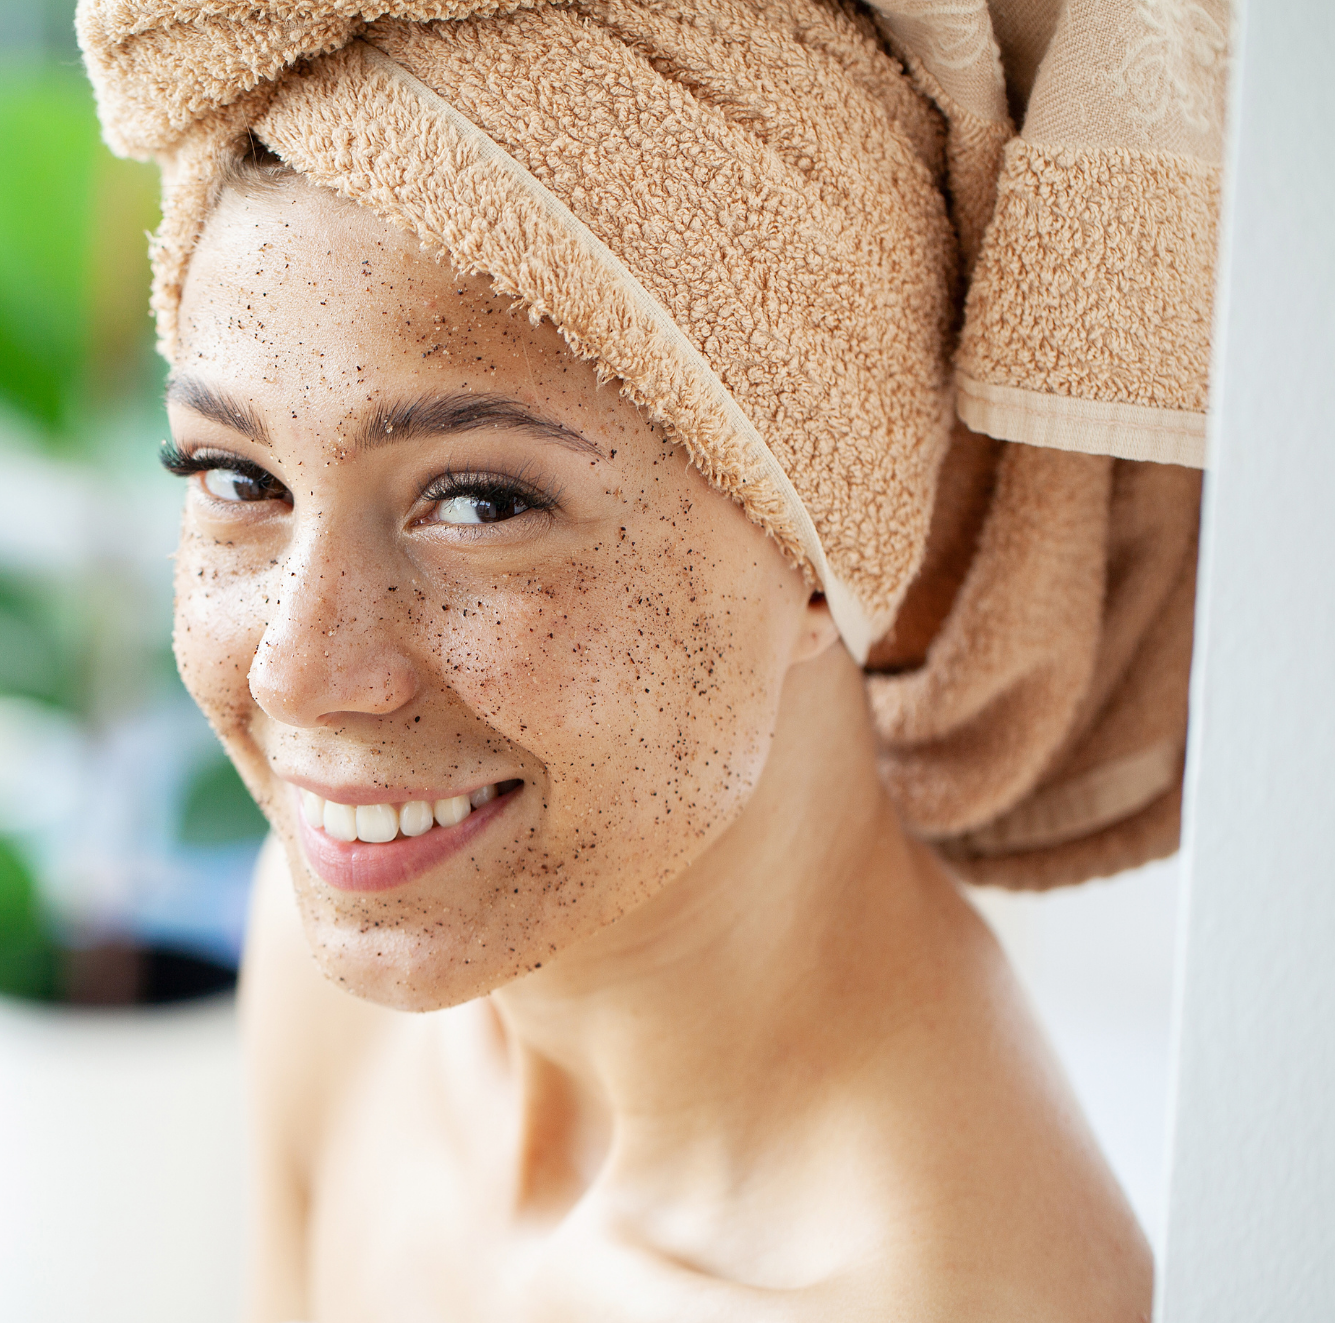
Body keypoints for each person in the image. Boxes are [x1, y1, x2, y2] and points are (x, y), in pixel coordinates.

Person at [80, 0, 1224, 1316]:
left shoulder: (937, 1290)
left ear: (821, 538)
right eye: (236, 474)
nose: (298, 668)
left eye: (482, 504)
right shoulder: (332, 952)